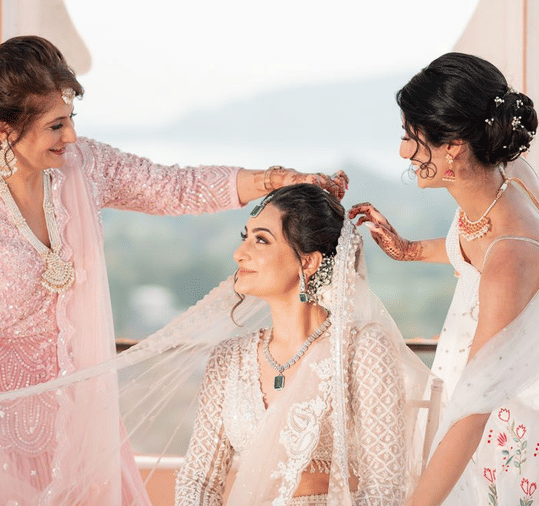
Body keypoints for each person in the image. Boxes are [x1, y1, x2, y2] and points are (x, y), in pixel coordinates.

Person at [0, 35, 347, 506]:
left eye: (71, 118)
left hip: (73, 400)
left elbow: (178, 186)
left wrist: (277, 178)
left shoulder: (84, 168)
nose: (71, 136)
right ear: (5, 128)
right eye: (55, 125)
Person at [349, 52, 539, 506]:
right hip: (509, 405)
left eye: (409, 137)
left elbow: (469, 416)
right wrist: (410, 249)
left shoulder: (511, 258)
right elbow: (476, 239)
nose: (402, 152)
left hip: (538, 419)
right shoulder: (505, 178)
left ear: (453, 145)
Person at [175, 184, 432, 506]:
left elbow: (383, 488)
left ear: (308, 262)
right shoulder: (228, 359)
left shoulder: (361, 348)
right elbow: (198, 480)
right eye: (246, 236)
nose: (239, 253)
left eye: (261, 240)